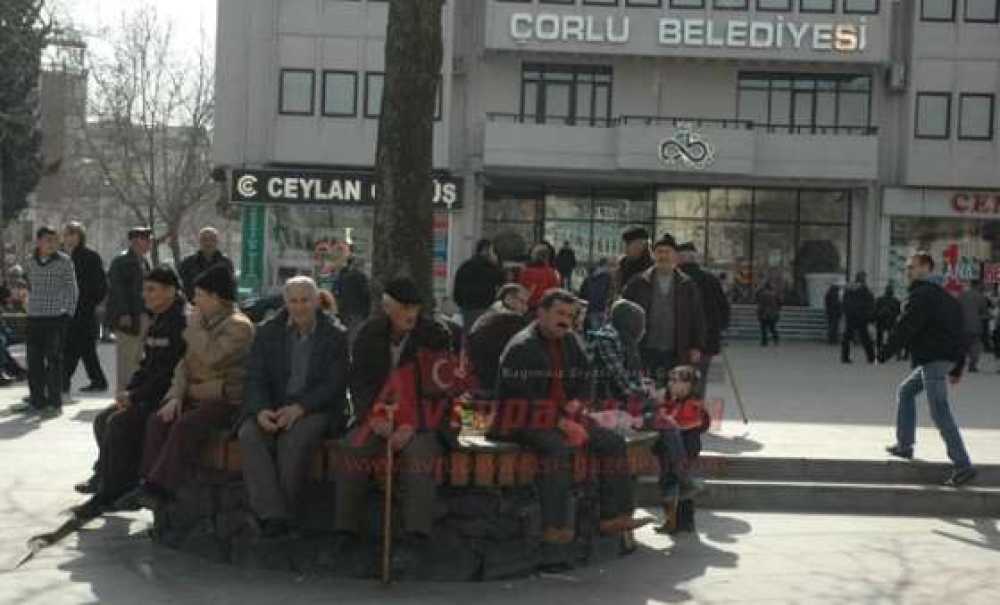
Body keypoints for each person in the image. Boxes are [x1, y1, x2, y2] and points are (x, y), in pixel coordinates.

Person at [493, 289, 649, 568]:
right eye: (560, 313)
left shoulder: (570, 340)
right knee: (557, 447)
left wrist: (578, 404)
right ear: (541, 312)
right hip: (521, 420)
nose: (565, 320)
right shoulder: (522, 347)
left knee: (612, 442)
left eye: (570, 315)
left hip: (563, 416)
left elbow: (587, 376)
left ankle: (614, 516)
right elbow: (524, 399)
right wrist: (562, 423)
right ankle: (554, 527)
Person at [334, 277, 457, 565]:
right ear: (387, 307)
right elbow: (360, 382)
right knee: (353, 448)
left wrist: (411, 424)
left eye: (414, 308)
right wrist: (373, 416)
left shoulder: (435, 335)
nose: (410, 314)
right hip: (379, 415)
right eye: (403, 308)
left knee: (420, 454)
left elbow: (440, 389)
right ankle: (345, 531)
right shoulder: (369, 334)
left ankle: (416, 537)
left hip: (424, 419)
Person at [125, 264, 255, 510]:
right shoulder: (202, 323)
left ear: (215, 297)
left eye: (200, 295)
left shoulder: (238, 326)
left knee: (186, 424)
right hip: (193, 393)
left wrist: (194, 329)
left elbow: (212, 357)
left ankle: (159, 487)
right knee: (158, 420)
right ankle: (147, 484)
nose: (194, 301)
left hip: (225, 399)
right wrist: (175, 396)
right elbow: (184, 365)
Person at [71, 266, 187, 518]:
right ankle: (105, 478)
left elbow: (167, 374)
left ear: (170, 291)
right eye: (145, 289)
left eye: (151, 290)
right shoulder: (159, 318)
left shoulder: (179, 322)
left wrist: (135, 397)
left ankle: (112, 493)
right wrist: (129, 392)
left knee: (119, 423)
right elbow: (146, 365)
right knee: (102, 420)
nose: (145, 295)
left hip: (168, 398)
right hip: (148, 394)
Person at [239, 277, 350, 539]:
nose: (299, 307)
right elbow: (255, 378)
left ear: (316, 301)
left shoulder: (335, 334)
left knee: (295, 439)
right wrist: (261, 410)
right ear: (285, 303)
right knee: (249, 434)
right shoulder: (267, 332)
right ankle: (273, 514)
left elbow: (335, 383)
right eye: (293, 301)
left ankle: (280, 517)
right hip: (275, 405)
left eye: (305, 300)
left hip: (316, 408)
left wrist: (301, 408)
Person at [880, 252, 975, 487]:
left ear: (926, 268)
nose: (908, 271)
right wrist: (957, 367)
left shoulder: (922, 295)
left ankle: (963, 465)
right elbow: (961, 334)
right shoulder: (948, 298)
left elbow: (906, 326)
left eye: (911, 267)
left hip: (934, 360)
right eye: (907, 267)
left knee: (939, 410)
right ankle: (905, 445)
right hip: (941, 359)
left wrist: (884, 352)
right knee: (906, 391)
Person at [622, 234, 706, 386]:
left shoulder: (687, 284)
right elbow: (623, 312)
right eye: (659, 252)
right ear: (653, 255)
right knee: (646, 388)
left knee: (673, 389)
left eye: (667, 252)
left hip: (676, 348)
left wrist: (696, 346)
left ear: (675, 256)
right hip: (645, 348)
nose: (663, 256)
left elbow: (697, 317)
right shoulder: (638, 282)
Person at [14, 227, 79, 418]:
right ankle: (37, 400)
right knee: (34, 361)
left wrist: (68, 312)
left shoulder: (64, 261)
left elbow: (72, 289)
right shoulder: (30, 261)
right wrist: (25, 301)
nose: (51, 244)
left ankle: (54, 402)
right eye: (47, 240)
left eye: (54, 240)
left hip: (55, 317)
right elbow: (26, 285)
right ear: (39, 241)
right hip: (34, 317)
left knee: (54, 361)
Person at [676, 242, 730, 397]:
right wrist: (719, 329)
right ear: (695, 258)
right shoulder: (710, 279)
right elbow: (724, 308)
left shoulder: (675, 279)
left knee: (679, 381)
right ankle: (696, 407)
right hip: (707, 341)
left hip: (679, 341)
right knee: (699, 379)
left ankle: (682, 408)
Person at [62, 222, 109, 394]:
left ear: (80, 236)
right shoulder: (62, 256)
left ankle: (62, 381)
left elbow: (101, 284)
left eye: (73, 234)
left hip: (84, 308)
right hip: (67, 308)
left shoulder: (90, 256)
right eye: (67, 234)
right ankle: (97, 380)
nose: (69, 238)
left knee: (73, 346)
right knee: (83, 347)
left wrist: (91, 302)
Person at [107, 227, 153, 390]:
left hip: (143, 314)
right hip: (129, 316)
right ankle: (123, 392)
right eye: (146, 239)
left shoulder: (144, 261)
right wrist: (123, 313)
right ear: (135, 241)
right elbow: (117, 290)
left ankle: (133, 391)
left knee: (138, 357)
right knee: (127, 358)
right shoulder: (121, 261)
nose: (149, 243)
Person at [466, 283, 530, 397]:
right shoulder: (513, 320)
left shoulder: (485, 317)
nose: (526, 308)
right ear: (509, 299)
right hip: (500, 384)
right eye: (522, 302)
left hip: (479, 380)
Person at [452, 238, 505, 333]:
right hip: (487, 307)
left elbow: (457, 290)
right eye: (493, 251)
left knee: (470, 334)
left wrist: (462, 303)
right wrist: (497, 264)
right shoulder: (491, 268)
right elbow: (502, 284)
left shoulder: (465, 266)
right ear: (486, 250)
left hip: (468, 308)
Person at [178, 227, 235, 301]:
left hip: (219, 304)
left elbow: (230, 286)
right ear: (199, 241)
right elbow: (183, 286)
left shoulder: (226, 263)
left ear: (217, 242)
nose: (208, 243)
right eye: (204, 239)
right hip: (194, 304)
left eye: (212, 239)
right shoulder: (188, 262)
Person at [841, 272, 876, 364]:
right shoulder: (865, 289)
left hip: (850, 317)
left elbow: (844, 302)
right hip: (861, 317)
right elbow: (870, 303)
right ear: (863, 279)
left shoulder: (849, 289)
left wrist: (846, 313)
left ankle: (844, 356)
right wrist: (870, 316)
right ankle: (871, 357)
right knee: (865, 338)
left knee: (847, 337)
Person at [958, 280, 990, 373]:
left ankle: (959, 364)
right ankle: (972, 365)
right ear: (978, 286)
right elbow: (984, 312)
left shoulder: (961, 295)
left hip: (962, 325)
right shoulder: (980, 297)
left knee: (962, 345)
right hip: (975, 326)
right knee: (975, 345)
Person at [518, 244, 561, 310]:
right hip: (545, 306)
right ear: (547, 257)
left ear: (533, 256)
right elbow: (555, 290)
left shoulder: (525, 271)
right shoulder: (552, 272)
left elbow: (521, 288)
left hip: (528, 305)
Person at [578, 257, 614, 332]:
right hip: (600, 308)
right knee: (597, 332)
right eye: (611, 265)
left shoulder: (590, 276)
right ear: (606, 265)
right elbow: (609, 294)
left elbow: (582, 293)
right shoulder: (607, 277)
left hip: (590, 308)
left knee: (591, 331)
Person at [616, 227, 654, 295]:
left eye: (628, 244)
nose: (625, 249)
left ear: (642, 245)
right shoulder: (623, 263)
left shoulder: (652, 267)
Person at [875, 285, 902, 360]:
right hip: (891, 321)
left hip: (882, 321)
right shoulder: (895, 300)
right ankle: (897, 353)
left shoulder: (880, 300)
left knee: (880, 337)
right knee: (894, 337)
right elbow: (898, 312)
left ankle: (879, 351)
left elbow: (875, 310)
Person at [755, 282, 781, 347]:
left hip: (764, 313)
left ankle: (764, 341)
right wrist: (777, 311)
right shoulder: (774, 294)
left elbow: (759, 301)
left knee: (763, 328)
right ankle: (776, 340)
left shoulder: (762, 294)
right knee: (772, 328)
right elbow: (779, 303)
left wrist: (759, 313)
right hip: (772, 313)